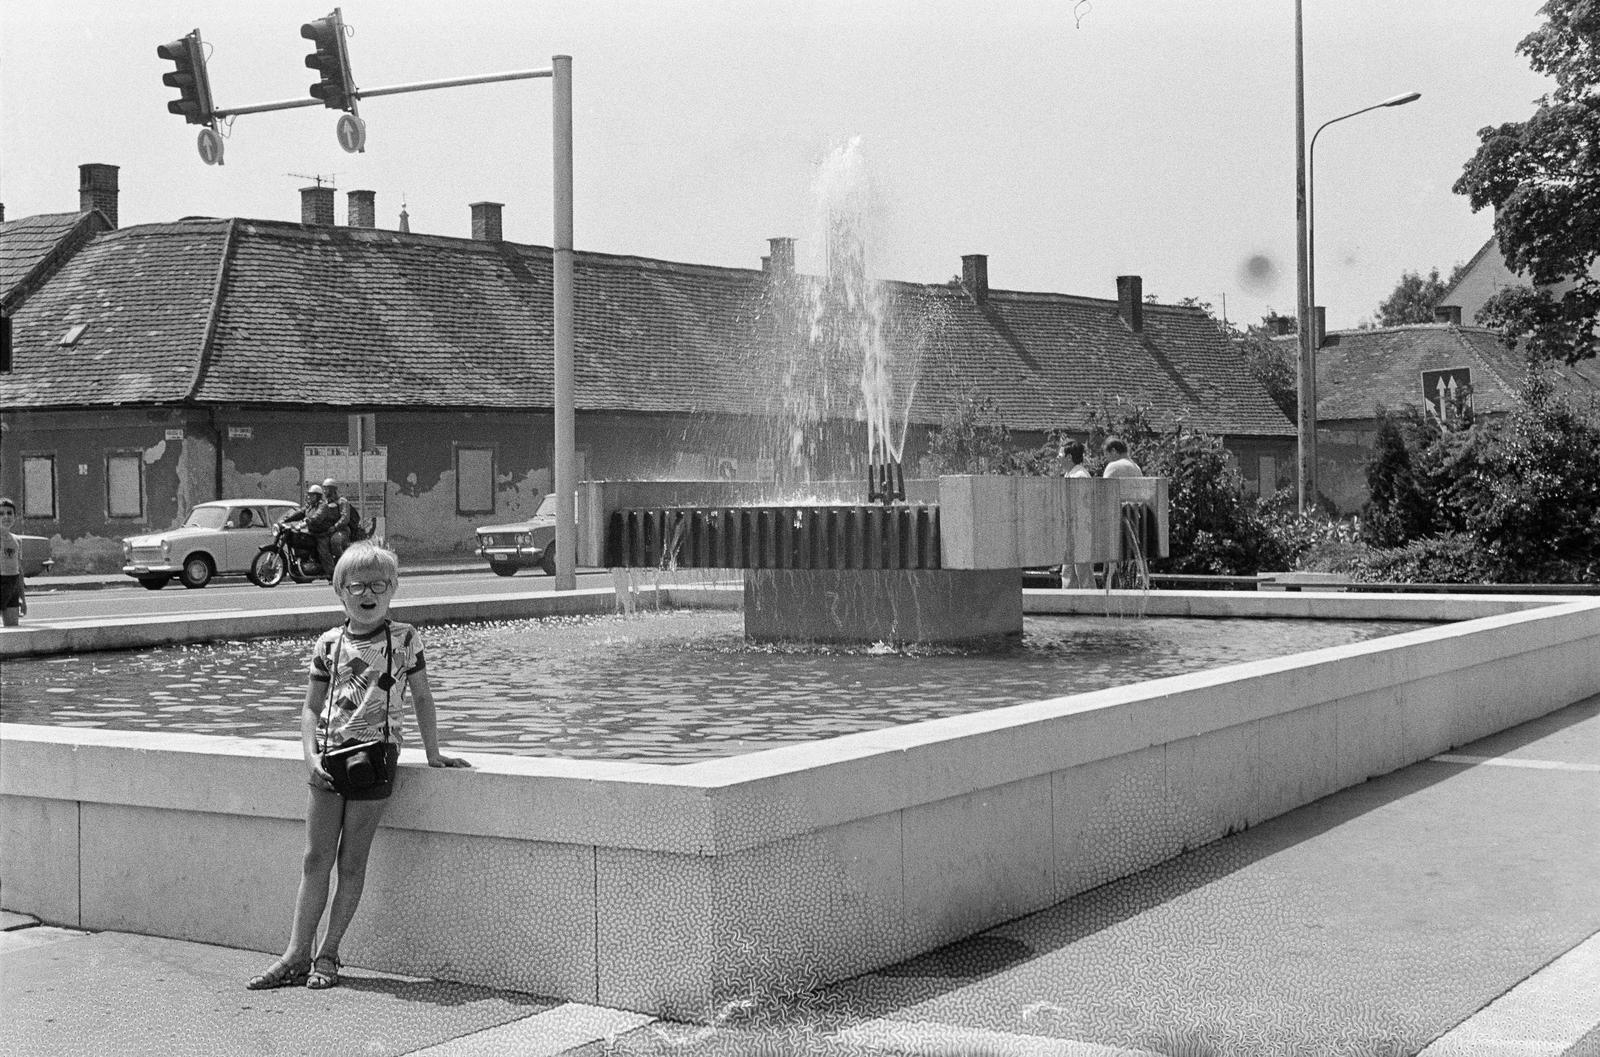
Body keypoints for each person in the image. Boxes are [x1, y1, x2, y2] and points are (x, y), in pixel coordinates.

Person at [246, 541, 470, 992]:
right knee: (315, 859)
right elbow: (310, 708)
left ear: (393, 590)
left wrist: (432, 753)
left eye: (379, 585)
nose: (369, 594)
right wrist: (309, 756)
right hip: (328, 759)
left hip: (377, 757)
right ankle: (294, 954)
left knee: (351, 863)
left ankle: (328, 955)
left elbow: (423, 697)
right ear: (339, 591)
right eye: (357, 586)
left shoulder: (405, 639)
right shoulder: (329, 643)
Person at [1057, 442, 1096, 588]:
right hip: (1073, 532)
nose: (1057, 458)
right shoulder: (1071, 474)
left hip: (1080, 533)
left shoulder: (1079, 475)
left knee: (1083, 575)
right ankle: (1069, 607)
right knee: (1068, 575)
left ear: (1069, 457)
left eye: (1060, 455)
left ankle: (1092, 608)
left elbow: (1082, 506)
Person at [307, 479, 352, 578]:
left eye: (326, 489)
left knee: (335, 541)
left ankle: (342, 566)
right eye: (324, 489)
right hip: (327, 530)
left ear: (333, 489)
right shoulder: (324, 503)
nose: (324, 491)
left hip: (341, 530)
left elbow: (345, 518)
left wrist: (335, 527)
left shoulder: (342, 501)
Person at [0, 498, 27, 627]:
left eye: (9, 513)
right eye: (1, 514)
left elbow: (19, 570)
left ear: (15, 517)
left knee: (12, 630)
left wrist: (23, 598)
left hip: (12, 585)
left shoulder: (17, 540)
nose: (6, 517)